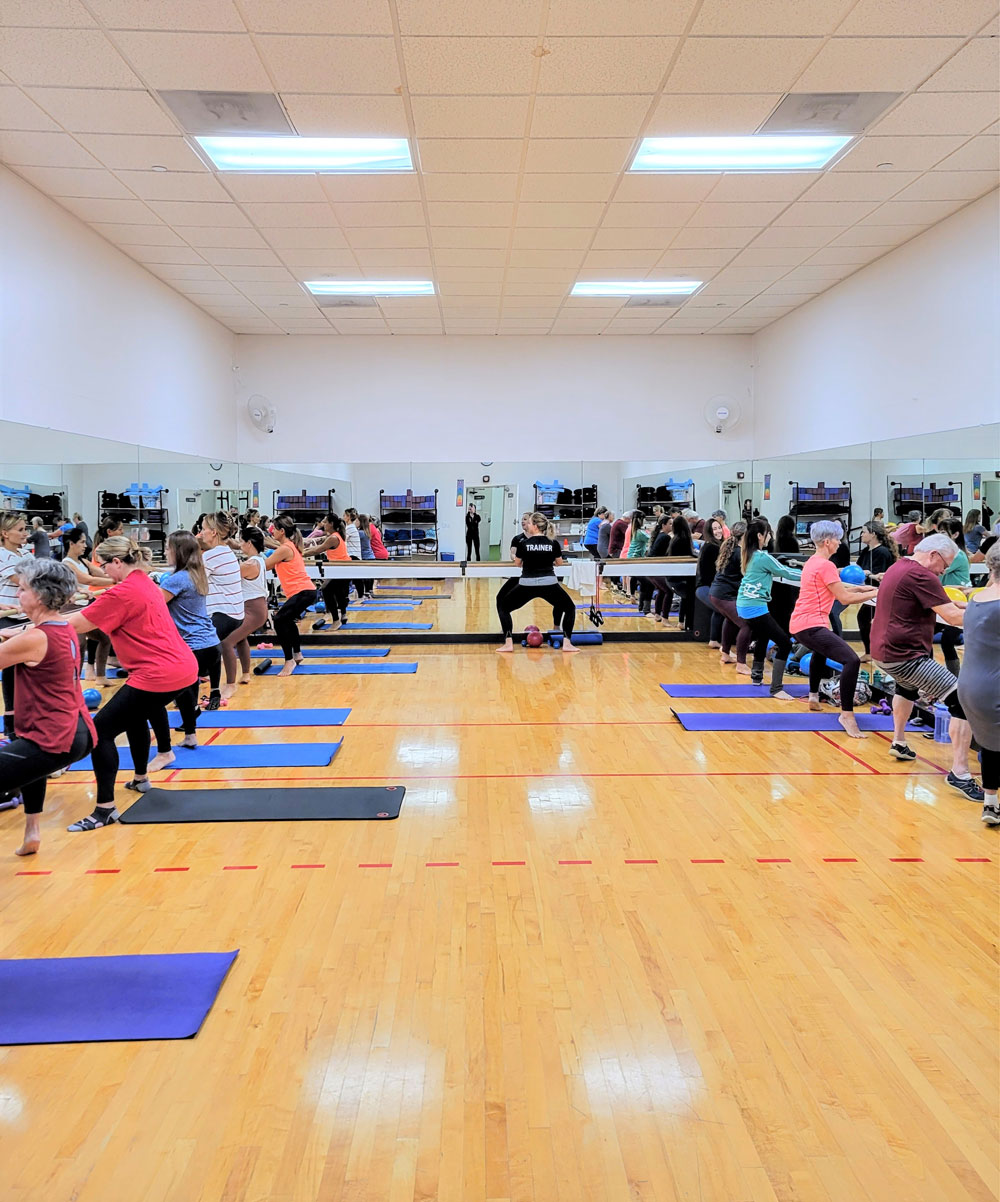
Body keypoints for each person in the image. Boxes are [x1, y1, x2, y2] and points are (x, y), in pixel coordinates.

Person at [65, 537, 198, 830]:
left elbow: (73, 626)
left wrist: (30, 628)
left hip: (159, 672)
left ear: (116, 562)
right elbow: (115, 598)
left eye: (103, 563)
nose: (101, 569)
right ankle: (141, 779)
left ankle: (104, 810)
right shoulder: (144, 581)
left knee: (99, 732)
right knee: (134, 717)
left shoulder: (123, 592)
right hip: (179, 667)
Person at [869, 533, 983, 800]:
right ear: (933, 555)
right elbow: (953, 617)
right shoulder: (922, 575)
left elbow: (945, 602)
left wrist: (973, 604)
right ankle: (960, 773)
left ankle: (899, 741)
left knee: (906, 689)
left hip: (883, 652)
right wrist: (988, 616)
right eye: (945, 564)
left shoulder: (901, 567)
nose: (945, 570)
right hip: (905, 656)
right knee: (961, 700)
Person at [0, 559, 96, 855]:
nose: (18, 595)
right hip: (76, 732)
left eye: (24, 589)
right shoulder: (63, 628)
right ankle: (32, 832)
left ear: (40, 596)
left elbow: (21, 645)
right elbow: (18, 640)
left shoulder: (35, 638)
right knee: (29, 761)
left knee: (30, 755)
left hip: (56, 738)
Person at [789, 521, 879, 738]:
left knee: (821, 651)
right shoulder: (825, 565)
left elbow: (834, 587)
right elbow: (844, 597)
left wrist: (862, 588)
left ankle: (813, 697)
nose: (840, 543)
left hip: (802, 624)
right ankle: (846, 715)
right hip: (810, 625)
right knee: (852, 660)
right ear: (828, 541)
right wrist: (876, 593)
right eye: (838, 539)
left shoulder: (813, 561)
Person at [147, 531, 222, 765]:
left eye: (168, 548)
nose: (166, 552)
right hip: (210, 644)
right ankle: (190, 736)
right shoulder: (194, 574)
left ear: (177, 552)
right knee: (186, 693)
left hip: (194, 646)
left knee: (157, 697)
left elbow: (151, 605)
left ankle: (164, 749)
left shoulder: (176, 580)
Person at [957, 543, 1000, 826]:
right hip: (993, 686)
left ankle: (990, 803)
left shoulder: (977, 599)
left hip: (970, 686)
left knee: (992, 747)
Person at [735, 520, 802, 698]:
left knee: (763, 635)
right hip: (753, 606)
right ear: (760, 536)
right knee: (785, 642)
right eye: (768, 534)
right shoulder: (761, 557)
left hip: (747, 604)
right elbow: (786, 572)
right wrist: (811, 574)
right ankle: (777, 688)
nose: (770, 537)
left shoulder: (749, 554)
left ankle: (756, 676)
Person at [496, 513, 578, 655]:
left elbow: (517, 563)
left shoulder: (523, 544)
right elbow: (559, 563)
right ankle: (567, 643)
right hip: (549, 584)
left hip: (527, 584)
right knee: (570, 608)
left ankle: (508, 643)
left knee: (503, 607)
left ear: (534, 526)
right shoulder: (553, 543)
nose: (527, 525)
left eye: (529, 523)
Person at [197, 511, 245, 706]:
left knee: (195, 658)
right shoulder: (225, 551)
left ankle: (186, 698)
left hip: (224, 614)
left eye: (203, 529)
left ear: (214, 532)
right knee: (213, 650)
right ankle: (215, 692)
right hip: (231, 613)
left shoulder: (213, 555)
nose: (201, 533)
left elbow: (195, 581)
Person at [61, 525, 114, 684]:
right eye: (82, 542)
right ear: (71, 544)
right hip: (70, 608)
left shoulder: (83, 561)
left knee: (104, 638)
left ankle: (100, 676)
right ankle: (73, 681)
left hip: (85, 606)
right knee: (80, 645)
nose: (85, 545)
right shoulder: (67, 563)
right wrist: (118, 580)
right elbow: (88, 580)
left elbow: (101, 574)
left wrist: (119, 574)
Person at [268, 515, 318, 676]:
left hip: (303, 592)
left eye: (274, 529)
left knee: (278, 620)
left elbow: (267, 566)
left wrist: (253, 557)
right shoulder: (289, 545)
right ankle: (297, 654)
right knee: (287, 620)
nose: (272, 531)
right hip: (305, 591)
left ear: (281, 531)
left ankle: (289, 661)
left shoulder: (285, 549)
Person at [225, 526, 271, 689]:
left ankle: (229, 684)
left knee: (226, 643)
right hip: (249, 607)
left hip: (254, 609)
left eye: (241, 541)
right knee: (239, 638)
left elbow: (227, 577)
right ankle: (245, 673)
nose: (239, 545)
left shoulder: (251, 564)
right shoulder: (258, 559)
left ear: (249, 543)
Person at [1, 513, 33, 740]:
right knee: (11, 675)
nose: (25, 533)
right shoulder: (2, 556)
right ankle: (12, 729)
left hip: (27, 619)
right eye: (20, 530)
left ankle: (29, 722)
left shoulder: (23, 553)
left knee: (30, 673)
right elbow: (27, 581)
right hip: (7, 619)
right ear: (4, 534)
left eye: (25, 529)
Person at [709, 522, 751, 673]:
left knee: (731, 621)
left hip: (718, 593)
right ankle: (741, 664)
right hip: (723, 594)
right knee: (747, 625)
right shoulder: (739, 552)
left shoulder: (731, 547)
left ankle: (726, 654)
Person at [856, 520, 898, 661]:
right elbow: (858, 569)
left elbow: (881, 575)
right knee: (864, 618)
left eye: (864, 532)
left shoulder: (882, 552)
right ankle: (871, 651)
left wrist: (869, 574)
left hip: (881, 593)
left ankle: (874, 652)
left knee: (866, 618)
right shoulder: (866, 551)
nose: (861, 535)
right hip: (869, 592)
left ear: (873, 534)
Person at [304, 513, 350, 631]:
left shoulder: (333, 538)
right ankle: (343, 615)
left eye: (325, 522)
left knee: (326, 589)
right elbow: (314, 546)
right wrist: (302, 550)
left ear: (331, 524)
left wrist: (300, 554)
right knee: (338, 591)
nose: (323, 524)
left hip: (342, 569)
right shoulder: (334, 535)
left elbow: (318, 550)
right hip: (341, 568)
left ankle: (336, 620)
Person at [939, 518, 972, 679]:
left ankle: (955, 679)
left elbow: (935, 570)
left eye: (943, 532)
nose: (939, 535)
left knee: (947, 641)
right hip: (945, 601)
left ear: (955, 534)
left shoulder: (956, 556)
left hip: (959, 603)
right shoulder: (947, 553)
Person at [694, 517, 725, 646]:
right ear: (709, 531)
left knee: (720, 610)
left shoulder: (711, 546)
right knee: (722, 610)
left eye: (719, 528)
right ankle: (717, 640)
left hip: (706, 587)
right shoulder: (712, 547)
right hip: (705, 587)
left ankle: (714, 639)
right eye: (715, 529)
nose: (718, 531)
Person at [626, 510, 650, 612]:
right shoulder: (640, 533)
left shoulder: (635, 530)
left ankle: (632, 596)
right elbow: (650, 539)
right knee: (645, 581)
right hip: (635, 558)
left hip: (633, 557)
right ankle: (642, 604)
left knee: (634, 577)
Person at [606, 511, 629, 591]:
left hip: (613, 548)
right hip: (616, 549)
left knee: (616, 567)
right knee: (618, 567)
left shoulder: (617, 522)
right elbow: (629, 533)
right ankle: (615, 585)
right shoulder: (621, 524)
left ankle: (614, 584)